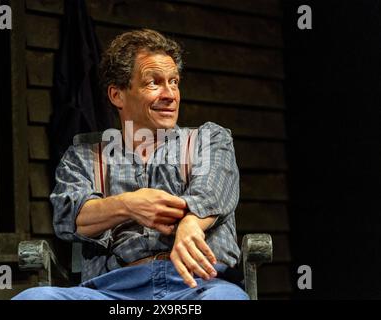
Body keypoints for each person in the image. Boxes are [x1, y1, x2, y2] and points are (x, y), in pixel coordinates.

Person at [13, 29, 248, 300]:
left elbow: (214, 191)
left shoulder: (208, 139)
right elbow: (68, 217)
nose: (170, 94)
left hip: (196, 286)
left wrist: (191, 223)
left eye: (174, 82)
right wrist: (129, 205)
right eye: (154, 83)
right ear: (117, 95)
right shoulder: (86, 156)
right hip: (113, 292)